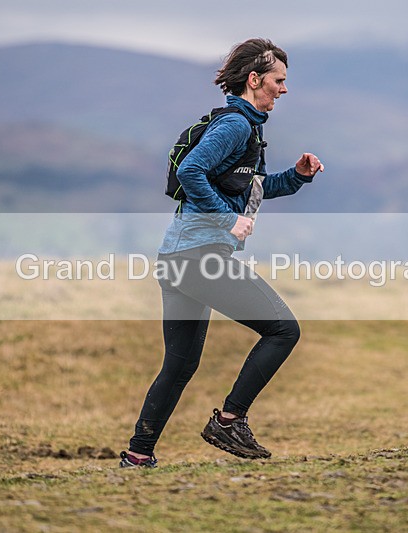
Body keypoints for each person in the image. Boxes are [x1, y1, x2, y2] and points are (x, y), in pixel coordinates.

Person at [120, 38, 324, 468]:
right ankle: (230, 419)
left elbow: (253, 190)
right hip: (199, 257)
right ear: (254, 80)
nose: (283, 90)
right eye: (278, 81)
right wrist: (225, 220)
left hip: (177, 259)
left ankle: (138, 456)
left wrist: (298, 176)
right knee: (284, 330)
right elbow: (190, 170)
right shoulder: (235, 126)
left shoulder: (250, 128)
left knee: (179, 367)